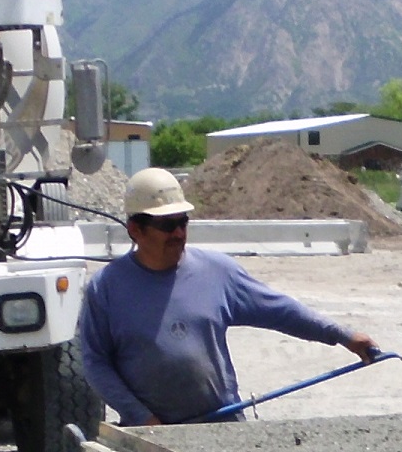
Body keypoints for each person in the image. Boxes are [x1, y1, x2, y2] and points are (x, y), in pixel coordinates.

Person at [75, 165, 379, 426]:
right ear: (135, 230)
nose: (178, 233)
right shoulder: (106, 288)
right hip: (151, 433)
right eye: (167, 225)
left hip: (222, 424)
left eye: (182, 222)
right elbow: (96, 364)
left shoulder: (218, 272)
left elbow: (280, 310)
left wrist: (342, 335)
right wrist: (143, 418)